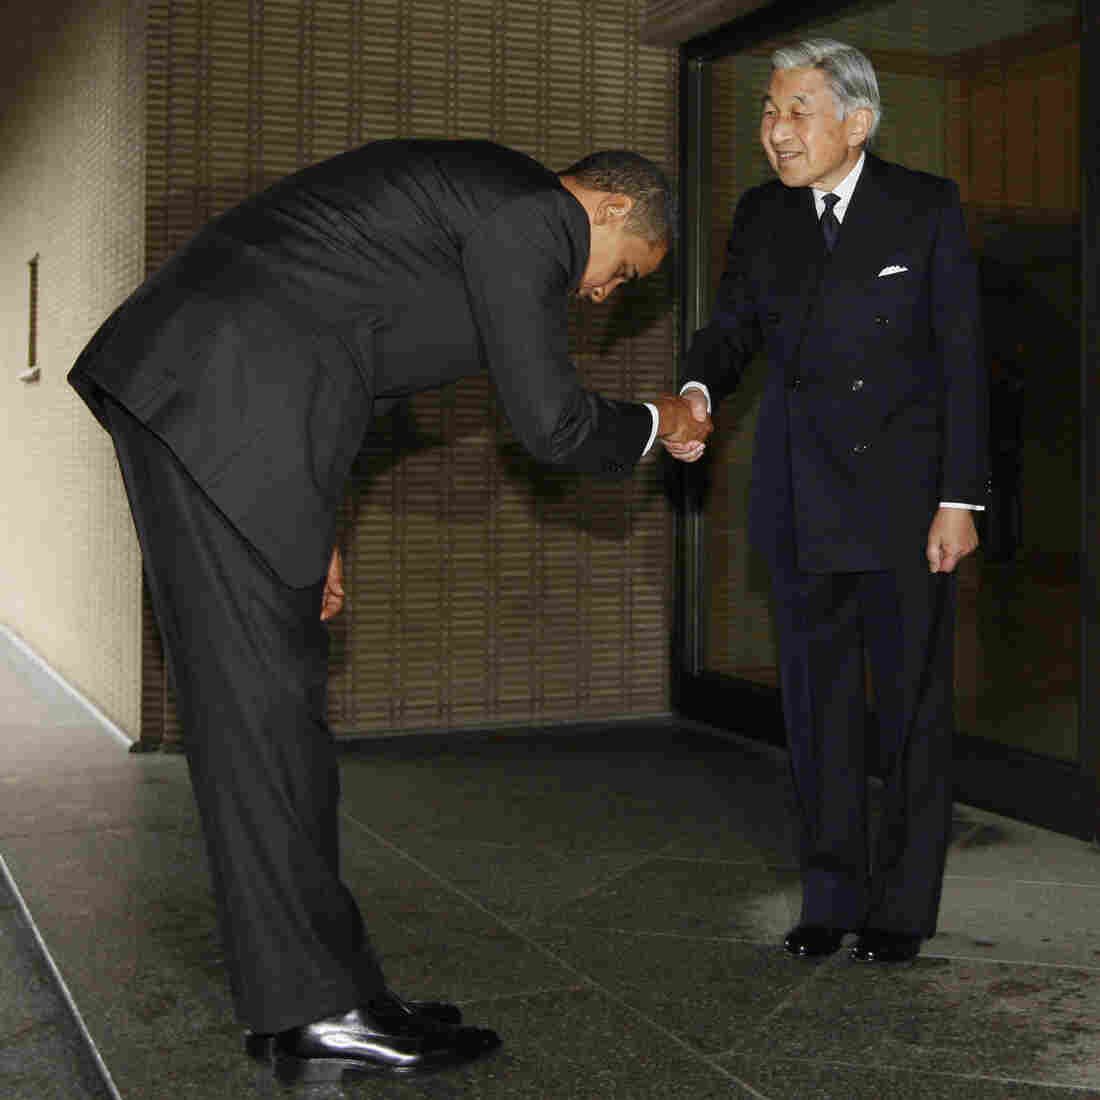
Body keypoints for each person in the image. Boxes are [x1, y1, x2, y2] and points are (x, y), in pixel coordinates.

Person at [68, 140, 711, 1084]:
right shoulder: (532, 215)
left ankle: (317, 996)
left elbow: (344, 350)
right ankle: (317, 1009)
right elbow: (553, 423)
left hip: (234, 407)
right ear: (611, 209)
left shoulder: (483, 210)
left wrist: (313, 520)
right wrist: (662, 419)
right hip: (221, 399)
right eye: (623, 274)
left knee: (268, 711)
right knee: (263, 719)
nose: (602, 295)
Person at [672, 40, 987, 965]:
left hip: (905, 505)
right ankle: (829, 894)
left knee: (910, 711)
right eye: (770, 111)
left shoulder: (925, 207)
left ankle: (899, 909)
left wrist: (960, 500)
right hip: (801, 498)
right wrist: (697, 392)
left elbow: (962, 360)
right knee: (816, 712)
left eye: (798, 110)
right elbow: (729, 330)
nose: (776, 131)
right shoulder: (762, 216)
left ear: (858, 120)